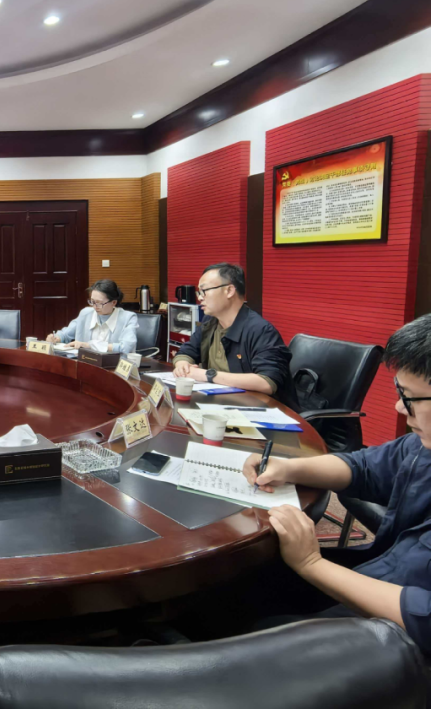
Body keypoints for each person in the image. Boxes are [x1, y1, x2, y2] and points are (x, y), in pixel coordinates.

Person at [233, 314, 431, 655]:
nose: (399, 407)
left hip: (397, 645)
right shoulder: (422, 446)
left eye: (410, 397)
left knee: (257, 639)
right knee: (242, 584)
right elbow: (364, 467)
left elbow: (422, 618)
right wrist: (289, 467)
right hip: (381, 571)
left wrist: (311, 564)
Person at [172, 262, 294, 407]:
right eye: (199, 292)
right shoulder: (210, 322)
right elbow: (187, 351)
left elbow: (267, 382)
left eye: (204, 290)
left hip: (258, 408)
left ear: (229, 291)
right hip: (220, 403)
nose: (200, 298)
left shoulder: (260, 330)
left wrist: (207, 375)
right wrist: (182, 366)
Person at [46, 280, 138, 354]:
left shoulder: (128, 318)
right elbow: (66, 334)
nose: (95, 306)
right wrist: (56, 338)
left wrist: (89, 345)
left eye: (99, 303)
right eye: (92, 301)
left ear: (113, 302)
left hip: (113, 366)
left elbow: (126, 347)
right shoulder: (86, 313)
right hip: (85, 364)